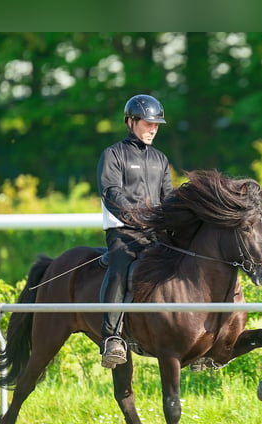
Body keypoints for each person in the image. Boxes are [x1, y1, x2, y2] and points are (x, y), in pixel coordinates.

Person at [97, 94, 173, 368]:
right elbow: (111, 193)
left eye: (157, 124)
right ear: (130, 122)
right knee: (119, 267)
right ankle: (111, 338)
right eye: (148, 123)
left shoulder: (160, 159)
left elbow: (169, 197)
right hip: (123, 233)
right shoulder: (113, 154)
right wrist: (141, 217)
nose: (154, 128)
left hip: (155, 234)